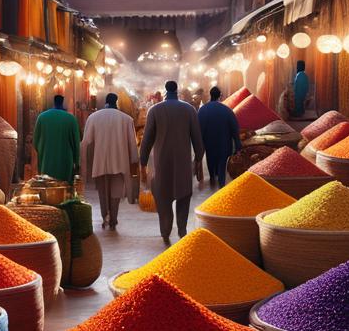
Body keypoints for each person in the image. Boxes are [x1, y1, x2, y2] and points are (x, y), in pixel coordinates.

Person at [140, 80, 203, 244]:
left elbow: (146, 140)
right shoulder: (189, 110)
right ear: (178, 90)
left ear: (165, 91)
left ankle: (165, 231)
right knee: (183, 196)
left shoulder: (154, 110)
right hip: (183, 163)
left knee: (163, 197)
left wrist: (142, 162)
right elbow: (197, 138)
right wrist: (198, 160)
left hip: (162, 163)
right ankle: (182, 230)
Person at [80, 92, 138, 229]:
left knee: (102, 191)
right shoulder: (126, 119)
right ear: (116, 102)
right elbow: (132, 144)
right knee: (116, 192)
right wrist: (134, 161)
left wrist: (83, 164)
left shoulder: (93, 117)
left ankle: (105, 216)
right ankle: (113, 219)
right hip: (120, 161)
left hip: (100, 161)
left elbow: (85, 142)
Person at [197, 86, 241, 191]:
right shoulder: (227, 110)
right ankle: (221, 186)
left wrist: (198, 147)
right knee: (222, 165)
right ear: (220, 96)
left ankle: (212, 179)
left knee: (211, 161)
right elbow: (235, 129)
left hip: (209, 144)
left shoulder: (203, 110)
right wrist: (238, 145)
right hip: (224, 144)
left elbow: (198, 130)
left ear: (210, 95)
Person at [32, 94, 80, 183]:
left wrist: (43, 152)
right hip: (65, 163)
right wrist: (77, 162)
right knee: (64, 190)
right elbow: (76, 143)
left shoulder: (42, 117)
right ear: (63, 102)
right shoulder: (71, 119)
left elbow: (35, 141)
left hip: (46, 162)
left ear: (53, 102)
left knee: (47, 187)